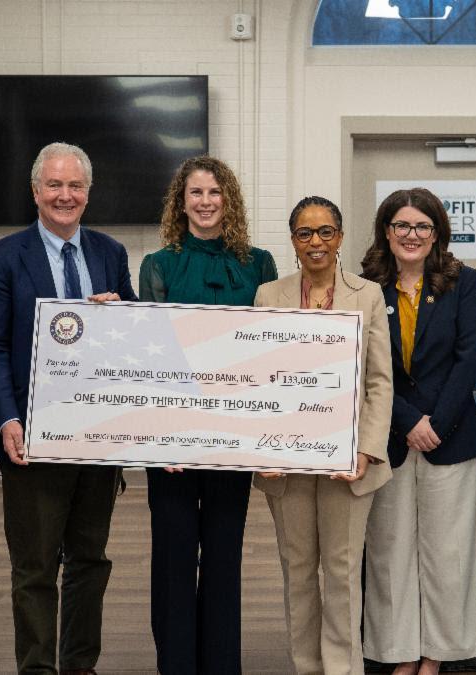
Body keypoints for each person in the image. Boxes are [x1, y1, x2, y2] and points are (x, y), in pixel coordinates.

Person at [0, 141, 138, 674]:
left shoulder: (110, 253)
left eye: (75, 186)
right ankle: (38, 669)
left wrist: (122, 313)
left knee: (90, 560)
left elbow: (133, 334)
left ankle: (80, 664)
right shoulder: (3, 257)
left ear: (88, 194)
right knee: (36, 565)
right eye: (55, 185)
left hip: (96, 433)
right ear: (36, 191)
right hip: (33, 436)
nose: (65, 195)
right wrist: (7, 419)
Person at [138, 156, 277, 674]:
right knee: (174, 558)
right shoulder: (159, 265)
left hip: (232, 435)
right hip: (171, 442)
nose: (205, 202)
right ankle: (176, 665)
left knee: (223, 557)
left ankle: (221, 665)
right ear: (181, 202)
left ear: (229, 200)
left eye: (214, 192)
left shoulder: (259, 264)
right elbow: (151, 358)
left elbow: (269, 350)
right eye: (194, 193)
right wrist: (160, 435)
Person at [253, 196, 393, 675]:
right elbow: (257, 379)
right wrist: (259, 448)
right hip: (286, 462)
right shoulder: (268, 294)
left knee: (342, 571)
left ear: (340, 236)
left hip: (347, 460)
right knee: (297, 570)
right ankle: (307, 667)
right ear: (293, 241)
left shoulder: (368, 294)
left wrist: (368, 448)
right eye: (305, 233)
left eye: (326, 231)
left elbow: (379, 380)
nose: (316, 242)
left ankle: (341, 668)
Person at [359, 188, 476, 674]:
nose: (411, 235)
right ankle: (398, 653)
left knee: (448, 551)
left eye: (422, 227)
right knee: (390, 550)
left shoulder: (463, 281)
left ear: (437, 233)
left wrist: (433, 423)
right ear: (386, 232)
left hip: (449, 436)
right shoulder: (365, 284)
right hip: (388, 436)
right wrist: (407, 419)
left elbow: (469, 355)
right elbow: (364, 363)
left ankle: (437, 653)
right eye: (401, 226)